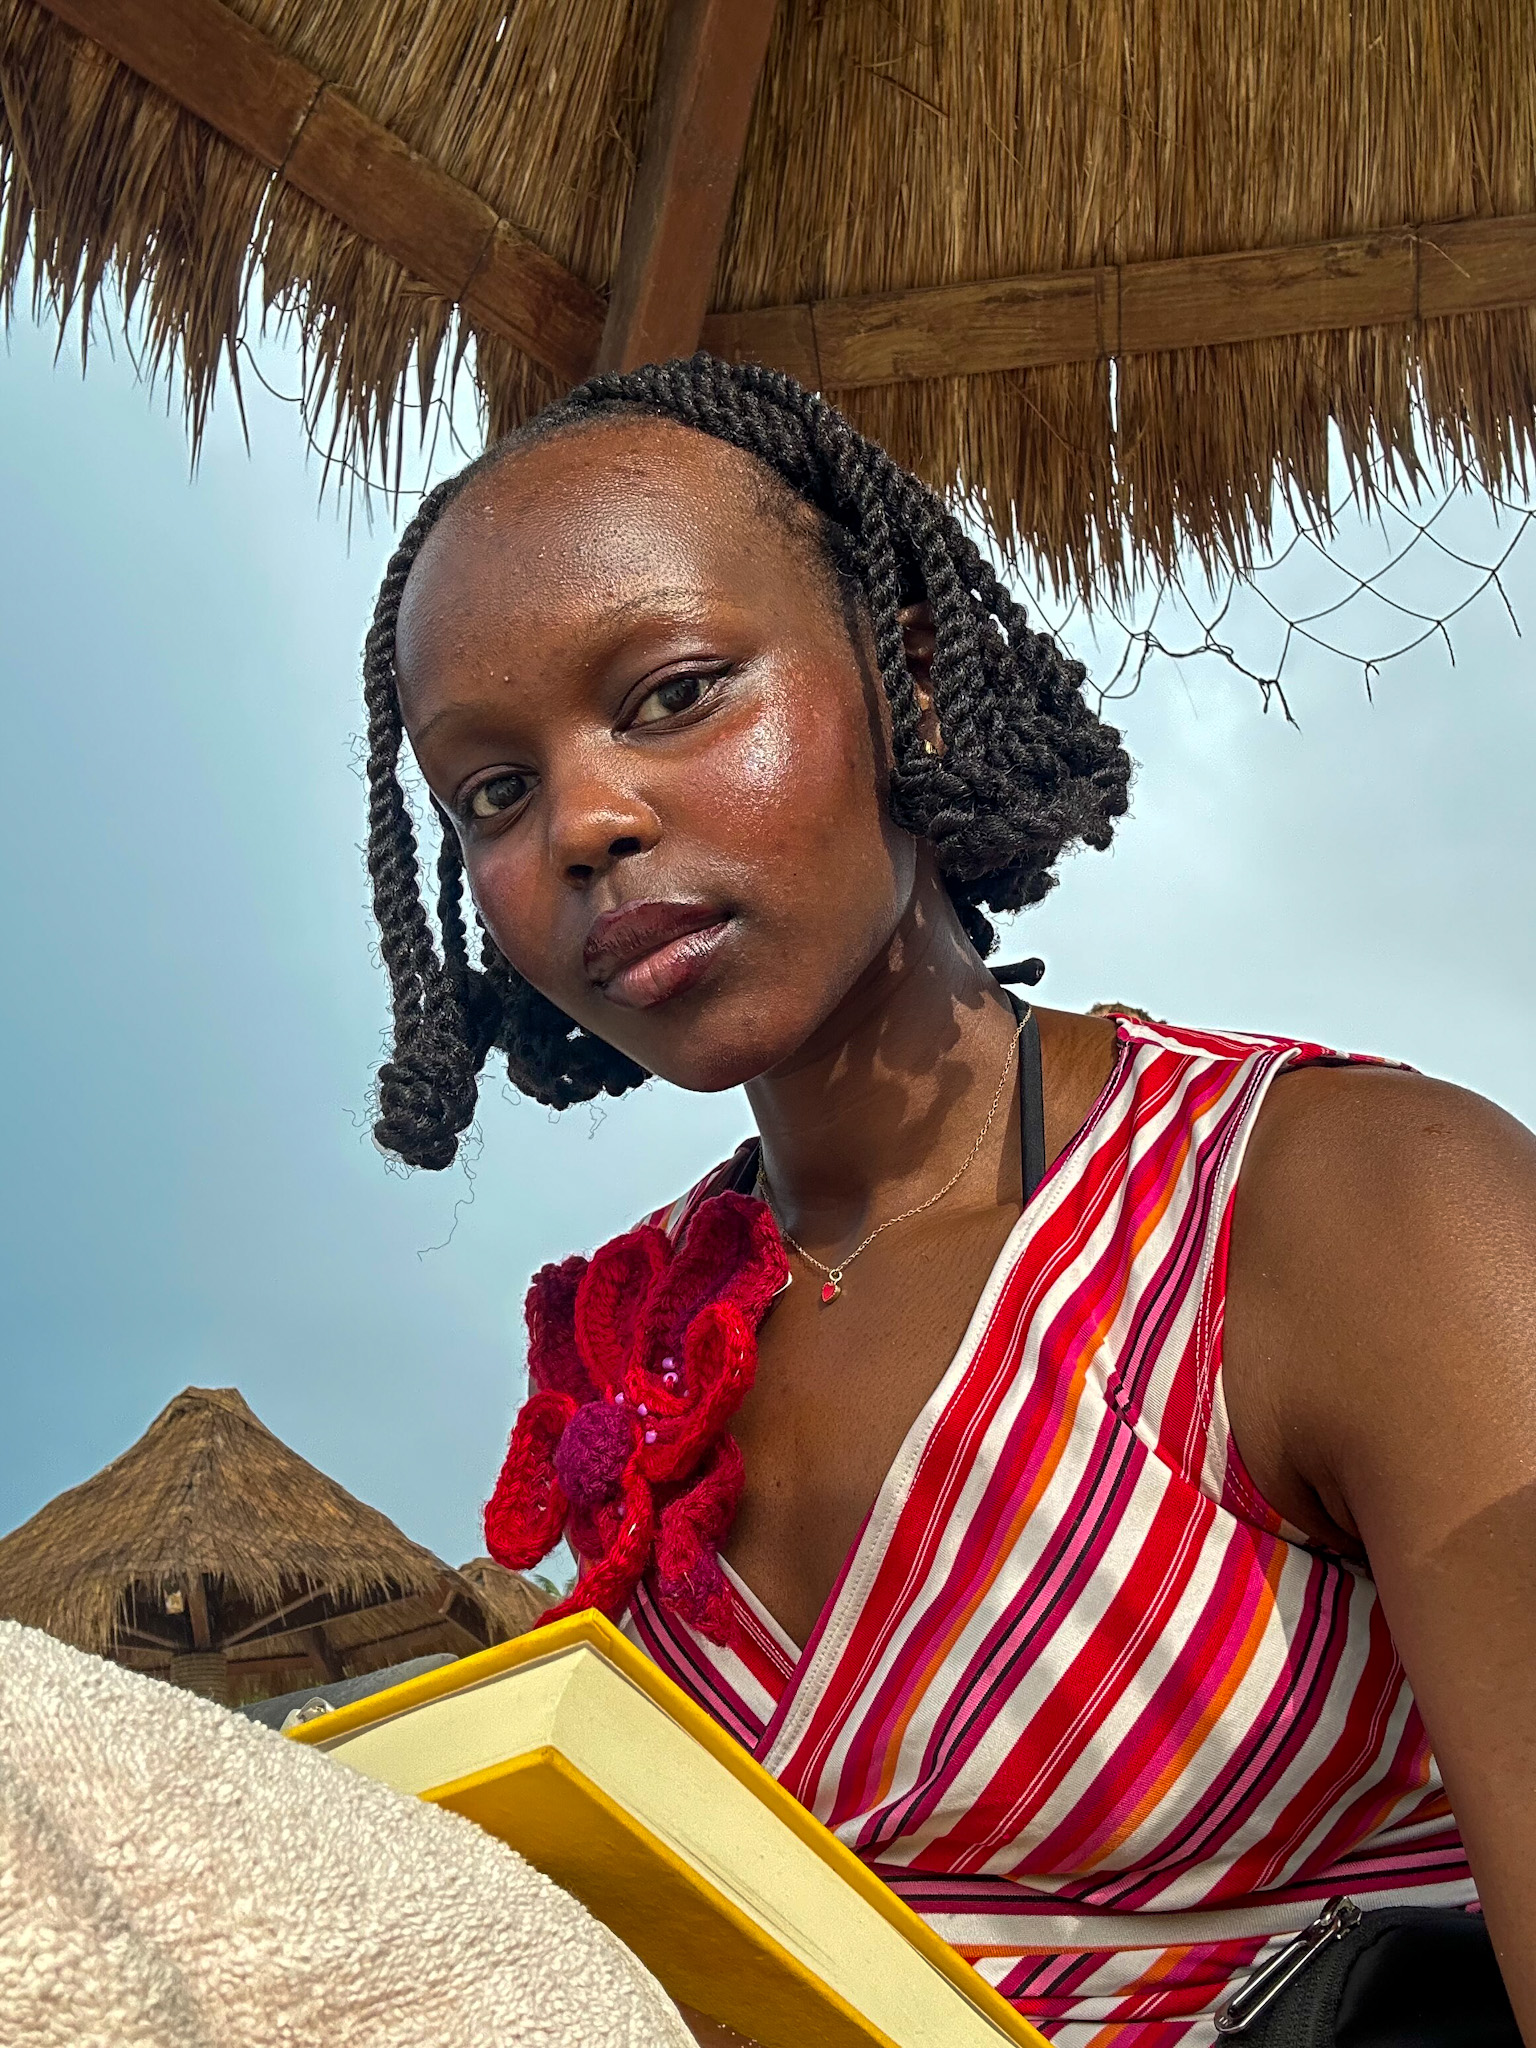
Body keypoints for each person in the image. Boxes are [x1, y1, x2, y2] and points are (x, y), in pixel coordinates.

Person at [360, 355, 1535, 2045]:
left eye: (677, 691)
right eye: (496, 790)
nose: (588, 823)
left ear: (902, 672)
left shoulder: (1344, 1205)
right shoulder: (651, 1343)